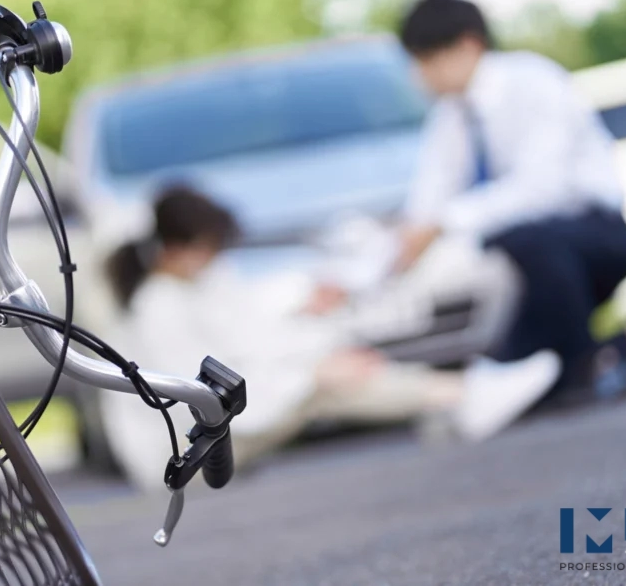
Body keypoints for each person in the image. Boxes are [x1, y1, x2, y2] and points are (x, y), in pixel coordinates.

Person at [99, 185, 561, 492]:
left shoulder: (191, 285)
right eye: (209, 248)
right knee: (325, 385)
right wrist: (312, 374)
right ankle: (462, 396)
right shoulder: (158, 307)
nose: (217, 258)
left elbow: (251, 341)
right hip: (178, 456)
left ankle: (457, 398)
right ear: (179, 249)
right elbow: (203, 398)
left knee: (329, 370)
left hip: (207, 435)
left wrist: (314, 344)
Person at [394, 0, 626, 406]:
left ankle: (587, 365)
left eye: (426, 61)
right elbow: (428, 198)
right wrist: (398, 248)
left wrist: (444, 222)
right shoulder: (450, 117)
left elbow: (542, 191)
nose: (420, 77)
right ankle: (622, 349)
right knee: (516, 365)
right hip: (531, 263)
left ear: (468, 46)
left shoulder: (533, 82)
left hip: (595, 236)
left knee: (525, 239)